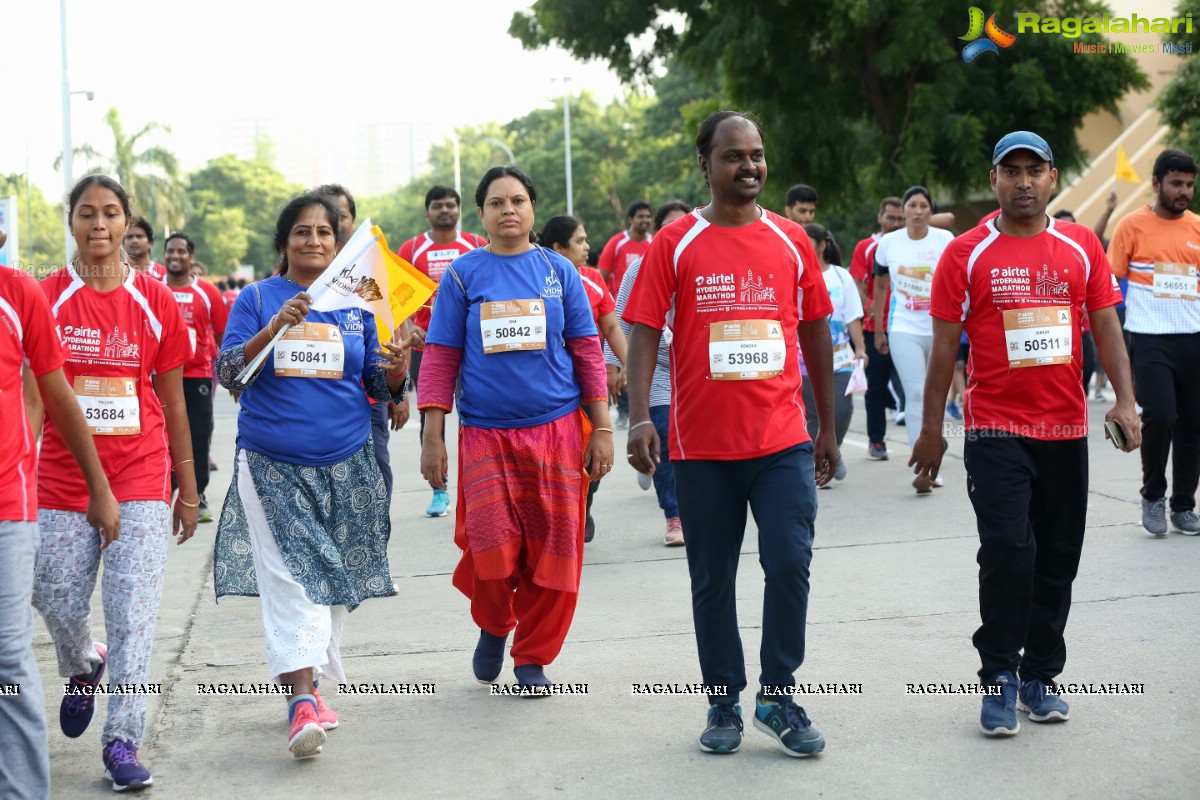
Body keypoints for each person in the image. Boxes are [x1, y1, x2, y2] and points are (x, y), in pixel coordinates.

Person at [911, 130, 1139, 737]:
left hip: (1065, 430)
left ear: (1052, 178)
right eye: (1010, 171)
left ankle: (1040, 674)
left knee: (1058, 557)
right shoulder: (965, 253)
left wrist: (1125, 399)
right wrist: (932, 432)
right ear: (994, 180)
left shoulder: (1082, 244)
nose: (1022, 182)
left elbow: (1105, 324)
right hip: (994, 431)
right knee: (1010, 551)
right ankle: (997, 677)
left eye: (1032, 171)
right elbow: (941, 352)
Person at [625, 111, 835, 758]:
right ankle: (723, 699)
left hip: (781, 441)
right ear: (705, 166)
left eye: (757, 155)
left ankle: (776, 691)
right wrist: (637, 415)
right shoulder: (676, 243)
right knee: (712, 579)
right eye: (733, 156)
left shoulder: (793, 241)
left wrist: (824, 425)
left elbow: (815, 332)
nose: (749, 166)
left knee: (790, 562)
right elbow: (643, 333)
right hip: (701, 448)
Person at [215, 191, 411, 757]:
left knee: (333, 583)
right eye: (302, 232)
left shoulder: (359, 301)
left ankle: (312, 682)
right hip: (271, 463)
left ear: (338, 242)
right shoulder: (256, 299)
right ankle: (301, 700)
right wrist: (275, 326)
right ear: (283, 244)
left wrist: (397, 370)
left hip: (348, 463)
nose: (314, 242)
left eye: (325, 233)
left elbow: (378, 387)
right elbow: (231, 373)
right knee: (289, 580)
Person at [31, 175, 198, 791]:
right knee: (56, 600)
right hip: (58, 482)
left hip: (140, 477)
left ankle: (122, 740)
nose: (98, 225)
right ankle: (82, 664)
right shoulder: (42, 298)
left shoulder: (156, 302)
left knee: (133, 616)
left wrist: (188, 488)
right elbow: (29, 400)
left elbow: (174, 403)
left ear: (127, 222)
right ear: (70, 221)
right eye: (86, 214)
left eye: (110, 214)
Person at [418, 166, 613, 693]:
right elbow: (440, 356)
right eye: (497, 202)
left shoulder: (561, 272)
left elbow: (586, 349)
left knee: (555, 550)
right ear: (480, 214)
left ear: (532, 210)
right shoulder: (462, 275)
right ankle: (494, 623)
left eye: (519, 200)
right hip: (485, 436)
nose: (509, 210)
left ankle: (532, 657)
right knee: (492, 550)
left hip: (556, 433)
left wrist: (602, 427)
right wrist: (432, 436)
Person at [1, 229, 121, 800]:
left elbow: (52, 395)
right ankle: (81, 661)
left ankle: (26, 790)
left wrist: (99, 486)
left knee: (7, 657)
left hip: (11, 504)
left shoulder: (20, 294)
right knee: (33, 622)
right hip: (31, 495)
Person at [1106, 149, 1200, 536]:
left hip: (1193, 340)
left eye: (1190, 185)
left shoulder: (1197, 227)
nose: (1184, 192)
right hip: (1149, 339)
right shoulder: (1132, 226)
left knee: (1193, 427)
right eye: (1177, 183)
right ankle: (1153, 496)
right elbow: (1109, 284)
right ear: (1156, 183)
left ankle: (1183, 506)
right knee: (1160, 417)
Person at [315, 183, 409, 516]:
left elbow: (395, 323)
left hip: (370, 396)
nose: (335, 225)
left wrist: (400, 391)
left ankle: (373, 537)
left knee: (376, 473)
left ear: (353, 221)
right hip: (319, 395)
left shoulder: (371, 266)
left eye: (341, 217)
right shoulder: (303, 269)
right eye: (327, 219)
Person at [398, 186, 488, 518]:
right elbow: (397, 296)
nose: (445, 210)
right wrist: (410, 329)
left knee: (475, 411)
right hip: (428, 345)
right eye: (438, 206)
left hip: (472, 346)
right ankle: (439, 489)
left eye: (451, 205)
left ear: (459, 210)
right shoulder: (412, 248)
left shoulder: (477, 244)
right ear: (428, 213)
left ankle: (475, 481)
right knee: (431, 415)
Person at [540, 215, 628, 543]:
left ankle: (583, 505)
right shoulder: (534, 278)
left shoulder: (591, 279)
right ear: (558, 249)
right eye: (579, 241)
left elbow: (611, 327)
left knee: (594, 455)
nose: (587, 247)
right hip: (550, 389)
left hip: (589, 387)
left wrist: (628, 363)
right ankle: (557, 518)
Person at [609, 199, 691, 545]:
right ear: (658, 233)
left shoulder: (705, 262)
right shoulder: (639, 269)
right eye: (668, 226)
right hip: (656, 369)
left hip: (696, 371)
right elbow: (621, 323)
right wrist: (614, 365)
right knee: (666, 442)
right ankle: (674, 516)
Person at [873, 186, 955, 493]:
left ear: (930, 211)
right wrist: (879, 330)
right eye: (912, 205)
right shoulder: (888, 244)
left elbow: (957, 283)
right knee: (916, 395)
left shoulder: (944, 240)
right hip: (903, 328)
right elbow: (880, 288)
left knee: (938, 397)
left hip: (940, 330)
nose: (918, 211)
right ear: (903, 210)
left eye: (924, 206)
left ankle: (934, 453)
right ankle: (924, 467)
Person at [162, 231, 228, 522]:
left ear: (191, 256)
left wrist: (224, 369)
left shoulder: (207, 293)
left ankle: (198, 495)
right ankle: (166, 490)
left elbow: (221, 334)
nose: (175, 257)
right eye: (170, 252)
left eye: (181, 252)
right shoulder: (153, 288)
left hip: (196, 375)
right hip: (160, 376)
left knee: (198, 436)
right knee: (161, 436)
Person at [801, 223, 865, 483]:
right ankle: (818, 465)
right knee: (813, 416)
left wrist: (860, 347)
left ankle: (831, 450)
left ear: (822, 244)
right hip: (802, 358)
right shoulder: (793, 272)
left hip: (840, 357)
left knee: (841, 410)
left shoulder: (840, 276)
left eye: (807, 239)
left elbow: (852, 316)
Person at [849, 197, 906, 460]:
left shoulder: (911, 243)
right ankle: (876, 440)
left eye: (900, 218)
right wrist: (869, 304)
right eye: (891, 218)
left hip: (909, 325)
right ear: (879, 218)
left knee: (919, 384)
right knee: (877, 385)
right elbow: (857, 281)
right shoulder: (867, 246)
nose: (896, 223)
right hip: (877, 326)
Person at [596, 200, 653, 295]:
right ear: (630, 219)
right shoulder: (616, 242)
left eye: (648, 217)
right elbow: (602, 277)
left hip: (645, 303)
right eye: (640, 217)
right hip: (619, 305)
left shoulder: (654, 243)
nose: (645, 220)